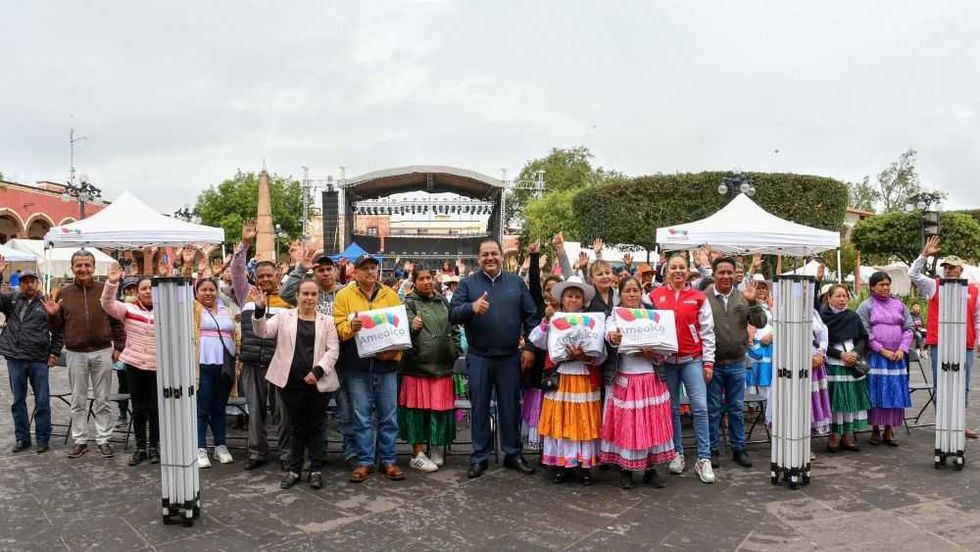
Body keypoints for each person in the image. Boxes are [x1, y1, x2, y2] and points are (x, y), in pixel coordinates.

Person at [450, 239, 540, 479]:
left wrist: (530, 347)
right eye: (485, 255)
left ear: (501, 256)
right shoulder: (467, 284)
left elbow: (532, 317)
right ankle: (479, 456)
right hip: (479, 357)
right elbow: (453, 314)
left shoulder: (516, 282)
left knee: (510, 407)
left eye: (494, 253)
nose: (490, 258)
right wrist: (471, 308)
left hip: (510, 357)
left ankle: (513, 454)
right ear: (478, 259)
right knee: (479, 407)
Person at [253, 280, 339, 489]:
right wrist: (259, 310)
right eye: (305, 294)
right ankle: (295, 470)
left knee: (317, 426)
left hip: (318, 382)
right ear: (297, 295)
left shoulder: (327, 321)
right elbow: (263, 332)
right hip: (290, 382)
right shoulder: (284, 316)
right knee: (296, 427)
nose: (309, 298)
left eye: (313, 294)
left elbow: (333, 350)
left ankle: (316, 470)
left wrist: (317, 371)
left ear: (318, 297)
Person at [334, 254, 406, 483]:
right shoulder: (343, 295)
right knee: (361, 417)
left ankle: (388, 460)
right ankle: (364, 461)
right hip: (356, 366)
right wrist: (350, 327)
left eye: (374, 268)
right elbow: (337, 327)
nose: (370, 272)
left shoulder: (390, 295)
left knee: (389, 416)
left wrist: (395, 353)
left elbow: (400, 329)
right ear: (355, 272)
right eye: (365, 268)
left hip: (386, 366)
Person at [280, 246, 356, 464]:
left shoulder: (345, 293)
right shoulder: (309, 293)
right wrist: (300, 269)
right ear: (314, 273)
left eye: (328, 269)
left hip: (341, 362)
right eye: (320, 269)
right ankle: (317, 454)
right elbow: (285, 293)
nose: (325, 273)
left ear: (335, 271)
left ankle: (351, 453)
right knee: (315, 414)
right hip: (313, 365)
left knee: (347, 412)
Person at [645, 253, 716, 483]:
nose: (677, 271)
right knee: (672, 409)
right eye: (673, 267)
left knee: (700, 408)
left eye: (681, 267)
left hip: (692, 359)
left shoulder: (698, 297)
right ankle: (677, 452)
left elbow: (707, 332)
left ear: (688, 271)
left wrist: (708, 362)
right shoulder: (654, 296)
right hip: (666, 362)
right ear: (666, 272)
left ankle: (704, 458)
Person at [49, 250, 126, 459]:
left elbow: (117, 320)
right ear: (72, 268)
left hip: (102, 351)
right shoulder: (64, 293)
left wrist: (119, 346)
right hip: (75, 353)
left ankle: (103, 439)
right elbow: (57, 328)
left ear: (93, 267)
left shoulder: (104, 290)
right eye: (78, 265)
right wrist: (53, 315)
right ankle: (80, 439)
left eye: (87, 265)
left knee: (103, 399)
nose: (83, 269)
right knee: (78, 400)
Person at [529, 276, 605, 484]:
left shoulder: (593, 322)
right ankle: (562, 465)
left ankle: (584, 466)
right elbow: (536, 340)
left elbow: (602, 354)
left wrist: (585, 356)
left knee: (583, 421)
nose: (573, 300)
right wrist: (546, 321)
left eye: (577, 296)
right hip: (561, 377)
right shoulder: (555, 319)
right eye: (569, 296)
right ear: (562, 299)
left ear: (583, 300)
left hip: (583, 376)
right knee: (561, 420)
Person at [602, 276, 675, 489]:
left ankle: (650, 470)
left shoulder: (653, 315)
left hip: (651, 377)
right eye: (627, 291)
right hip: (626, 378)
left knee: (650, 425)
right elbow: (608, 334)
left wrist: (653, 353)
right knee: (628, 426)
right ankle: (626, 470)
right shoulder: (614, 316)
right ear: (620, 294)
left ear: (641, 293)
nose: (632, 294)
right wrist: (613, 337)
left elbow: (666, 345)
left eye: (635, 290)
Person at [233, 220, 293, 471]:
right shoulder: (245, 293)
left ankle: (287, 454)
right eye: (262, 276)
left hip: (279, 364)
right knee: (255, 412)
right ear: (255, 277)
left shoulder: (288, 298)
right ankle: (257, 452)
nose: (266, 279)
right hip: (252, 364)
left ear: (278, 275)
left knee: (282, 412)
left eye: (270, 275)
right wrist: (245, 243)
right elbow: (236, 270)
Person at [909, 236, 980, 438]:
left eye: (952, 267)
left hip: (965, 344)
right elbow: (913, 274)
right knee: (941, 385)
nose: (948, 270)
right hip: (940, 344)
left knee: (963, 386)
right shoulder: (934, 286)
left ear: (960, 270)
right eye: (946, 267)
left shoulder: (974, 291)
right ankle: (943, 424)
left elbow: (978, 319)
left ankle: (959, 424)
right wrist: (924, 255)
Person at [705, 256, 766, 470]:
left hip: (737, 362)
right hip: (712, 363)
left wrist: (753, 303)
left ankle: (739, 448)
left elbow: (760, 322)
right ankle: (712, 449)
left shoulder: (743, 296)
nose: (726, 276)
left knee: (736, 408)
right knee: (712, 409)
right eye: (721, 272)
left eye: (729, 272)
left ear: (734, 275)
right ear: (714, 275)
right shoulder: (703, 298)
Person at [400, 266, 462, 472]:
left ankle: (436, 447)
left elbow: (455, 328)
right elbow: (400, 334)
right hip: (417, 367)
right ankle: (417, 454)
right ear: (414, 282)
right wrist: (412, 328)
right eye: (421, 279)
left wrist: (455, 349)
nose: (426, 282)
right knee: (416, 412)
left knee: (439, 409)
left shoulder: (443, 301)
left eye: (429, 278)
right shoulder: (408, 304)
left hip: (443, 366)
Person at [100, 264, 159, 465]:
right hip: (134, 366)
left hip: (156, 367)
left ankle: (154, 447)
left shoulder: (166, 311)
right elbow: (107, 304)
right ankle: (140, 447)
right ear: (138, 292)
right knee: (139, 408)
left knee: (155, 409)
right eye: (144, 288)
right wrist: (112, 282)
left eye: (151, 288)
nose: (148, 291)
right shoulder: (129, 308)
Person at [0, 263, 62, 454]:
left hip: (38, 359)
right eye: (24, 281)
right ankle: (22, 438)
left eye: (32, 281)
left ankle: (43, 439)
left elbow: (58, 331)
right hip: (15, 357)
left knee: (42, 401)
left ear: (38, 283)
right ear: (20, 284)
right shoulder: (12, 300)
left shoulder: (46, 302)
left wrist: (54, 353)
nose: (29, 285)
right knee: (18, 401)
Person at [857, 272, 914, 446]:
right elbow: (864, 332)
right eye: (881, 284)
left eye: (887, 284)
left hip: (897, 358)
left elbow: (909, 327)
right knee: (877, 391)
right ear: (872, 287)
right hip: (877, 357)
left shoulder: (899, 304)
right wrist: (882, 350)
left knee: (894, 391)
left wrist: (902, 349)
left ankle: (889, 430)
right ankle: (875, 429)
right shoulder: (866, 306)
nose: (885, 287)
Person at [194, 278, 239, 468]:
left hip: (224, 366)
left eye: (211, 289)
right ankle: (200, 448)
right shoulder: (193, 310)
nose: (208, 293)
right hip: (202, 366)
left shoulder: (227, 310)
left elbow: (236, 333)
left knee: (219, 408)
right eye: (203, 289)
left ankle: (220, 446)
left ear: (217, 292)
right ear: (196, 292)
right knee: (202, 409)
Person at [820, 284, 870, 452]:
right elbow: (820, 343)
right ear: (829, 298)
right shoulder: (823, 318)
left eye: (845, 296)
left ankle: (848, 434)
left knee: (850, 398)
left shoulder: (852, 316)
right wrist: (841, 355)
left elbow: (863, 338)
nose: (842, 299)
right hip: (834, 361)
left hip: (852, 360)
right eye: (838, 296)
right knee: (836, 399)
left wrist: (855, 353)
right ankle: (834, 435)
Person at [523, 241, 561, 452]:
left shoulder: (568, 311)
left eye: (555, 290)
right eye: (547, 290)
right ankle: (541, 448)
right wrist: (535, 256)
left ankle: (555, 449)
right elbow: (534, 285)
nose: (550, 293)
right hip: (539, 365)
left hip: (560, 367)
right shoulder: (539, 307)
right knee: (539, 405)